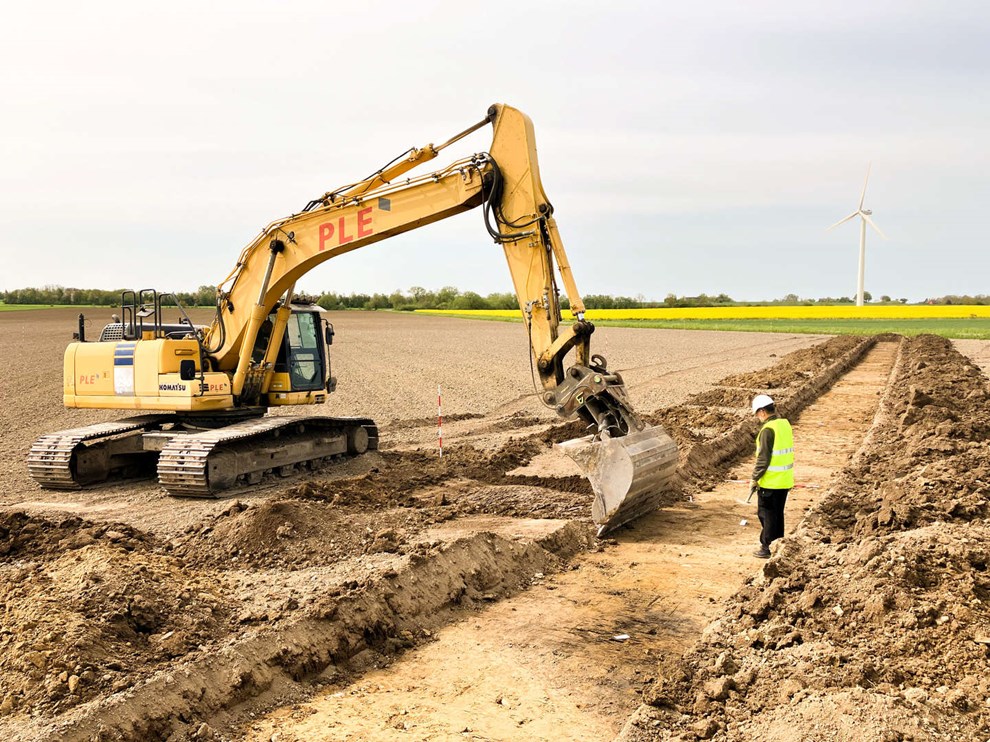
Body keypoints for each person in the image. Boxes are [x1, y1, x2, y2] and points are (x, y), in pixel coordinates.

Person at [750, 394, 794, 559]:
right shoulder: (784, 424)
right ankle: (778, 544)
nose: (757, 417)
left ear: (762, 411)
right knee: (777, 514)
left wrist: (755, 478)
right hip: (784, 479)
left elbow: (763, 459)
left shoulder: (767, 430)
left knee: (766, 514)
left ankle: (767, 546)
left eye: (757, 414)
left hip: (770, 482)